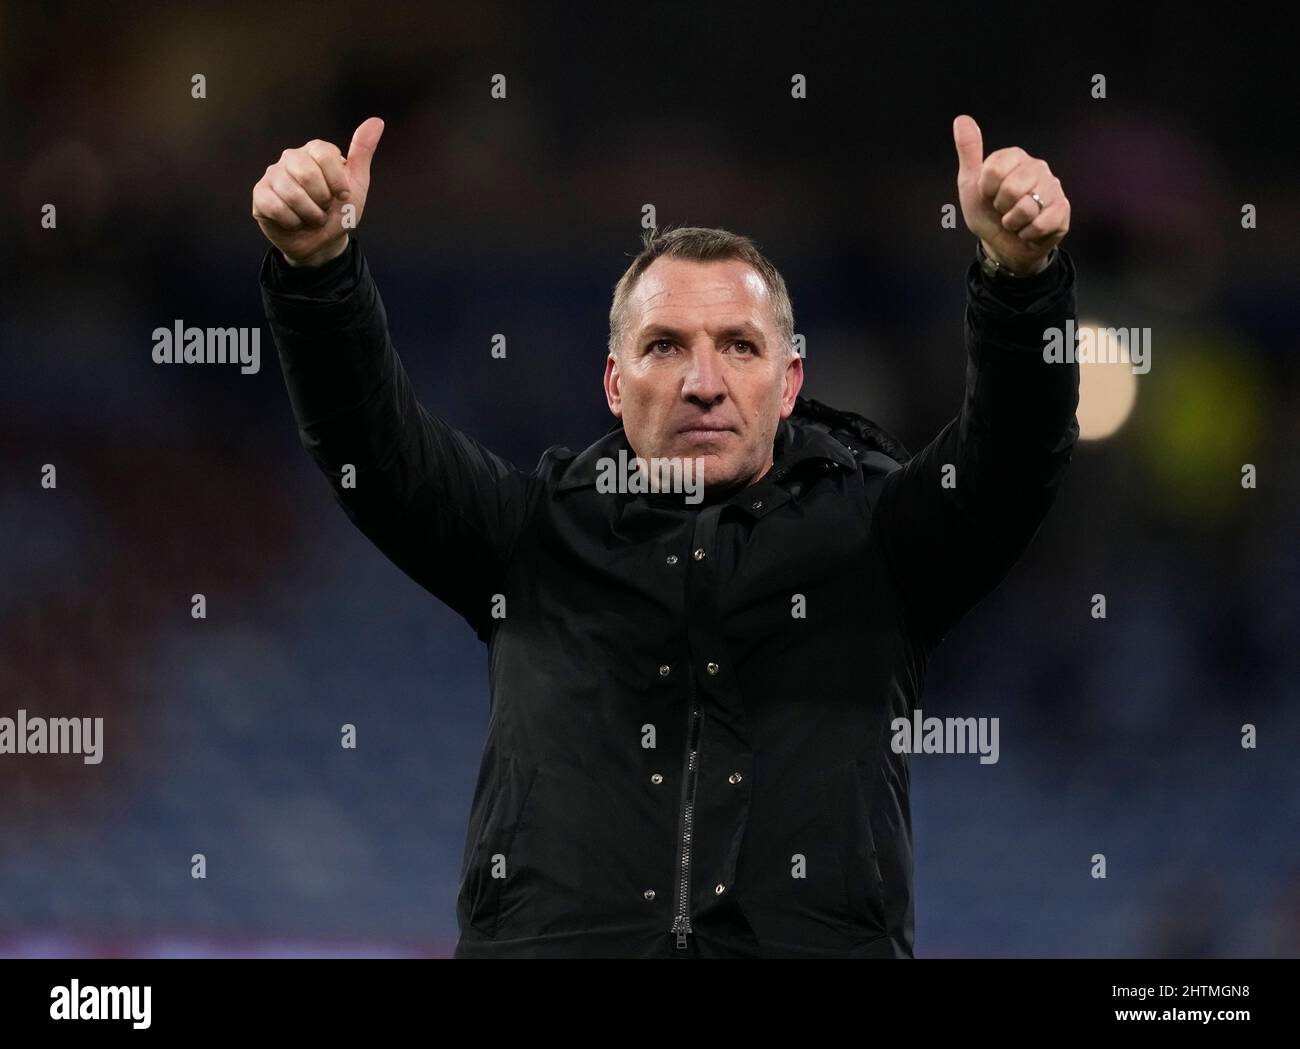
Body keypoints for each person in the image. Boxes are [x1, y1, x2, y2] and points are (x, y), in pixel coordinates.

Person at [253, 114, 1079, 958]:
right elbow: (373, 451)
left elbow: (1013, 465)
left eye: (739, 346)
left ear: (789, 382)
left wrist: (1021, 282)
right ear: (615, 382)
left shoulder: (878, 543)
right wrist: (319, 270)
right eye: (664, 346)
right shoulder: (532, 537)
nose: (703, 382)